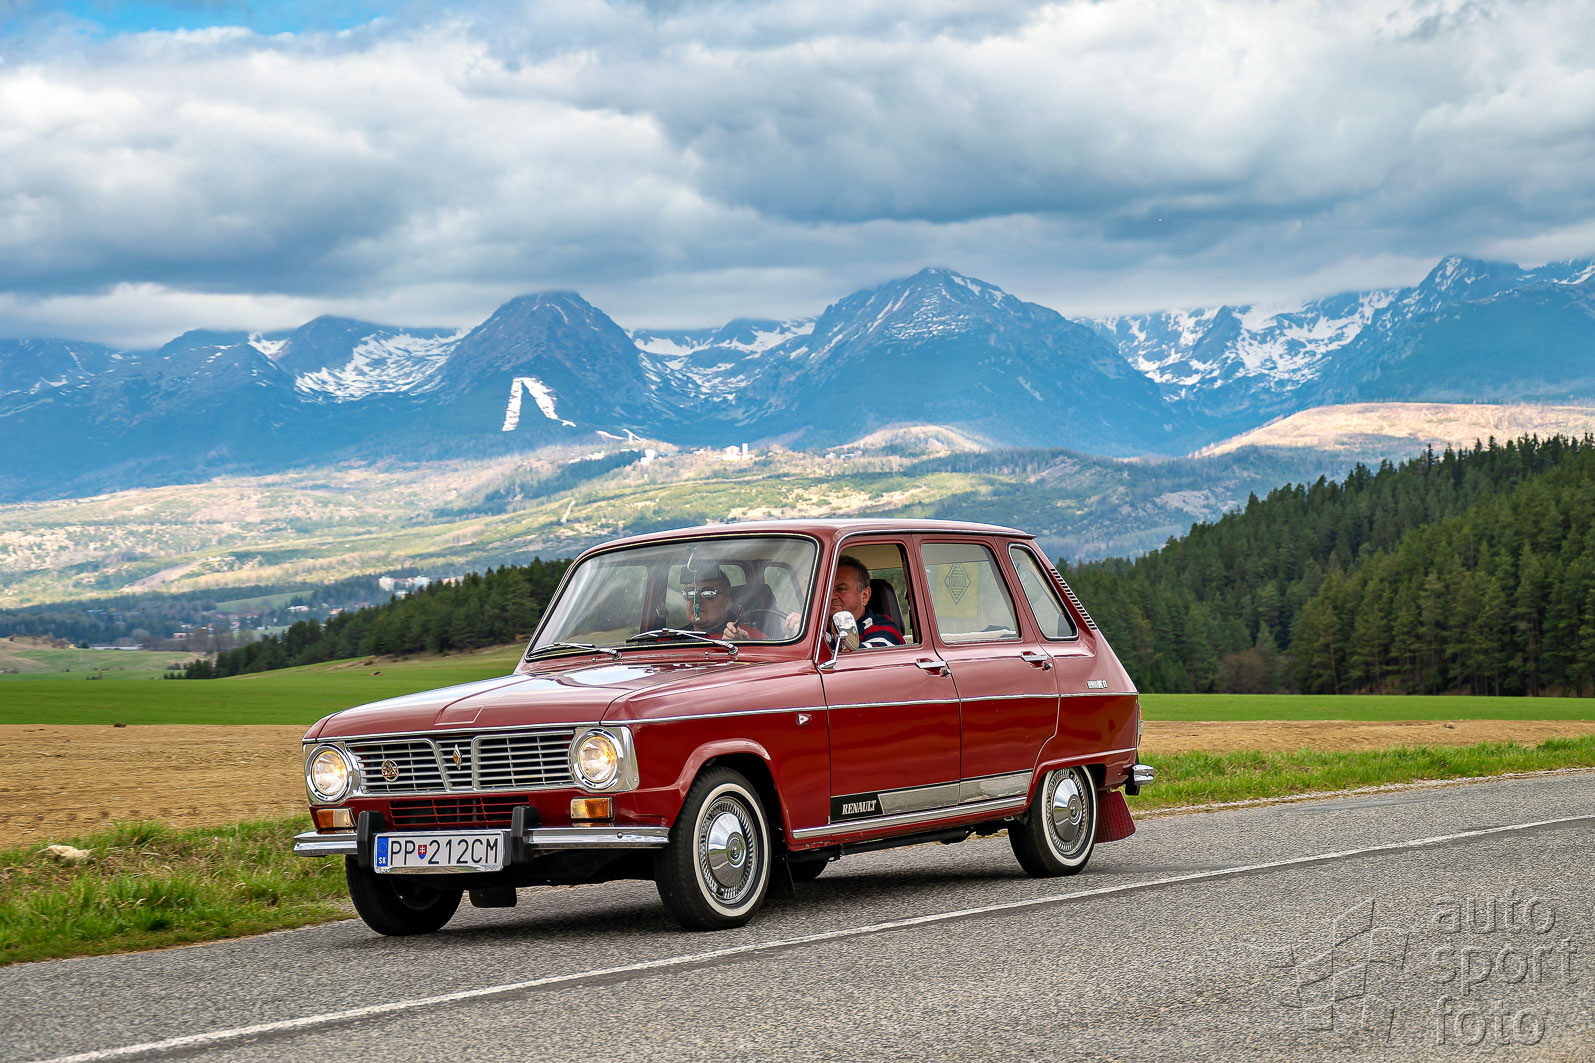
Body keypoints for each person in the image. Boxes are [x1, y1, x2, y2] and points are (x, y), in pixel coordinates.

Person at [830, 555, 903, 648]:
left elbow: (873, 654)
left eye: (841, 589)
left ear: (864, 596)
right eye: (826, 590)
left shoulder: (885, 629)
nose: (831, 596)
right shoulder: (813, 629)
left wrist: (840, 643)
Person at [683, 567, 767, 641]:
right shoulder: (676, 637)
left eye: (708, 593)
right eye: (691, 593)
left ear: (727, 603)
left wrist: (741, 645)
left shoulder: (752, 638)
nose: (696, 601)